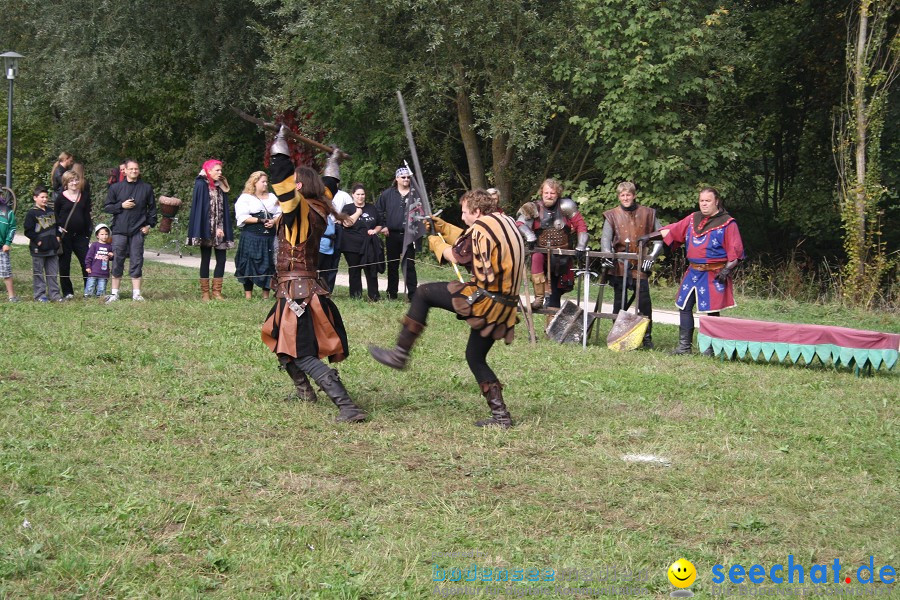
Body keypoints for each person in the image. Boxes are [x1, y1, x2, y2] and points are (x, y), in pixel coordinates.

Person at [369, 189, 526, 428]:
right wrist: (442, 227)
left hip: (485, 300)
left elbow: (456, 254)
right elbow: (467, 237)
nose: (462, 217)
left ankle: (399, 354)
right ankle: (501, 416)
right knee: (474, 356)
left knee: (423, 293)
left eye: (465, 212)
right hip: (505, 305)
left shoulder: (482, 228)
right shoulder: (504, 221)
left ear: (477, 211)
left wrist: (433, 240)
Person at [261, 126, 366, 423]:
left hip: (299, 291)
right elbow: (329, 181)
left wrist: (280, 143)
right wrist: (334, 158)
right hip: (296, 288)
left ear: (298, 188)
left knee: (303, 352)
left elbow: (281, 176)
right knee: (277, 336)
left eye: (294, 184)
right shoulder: (321, 205)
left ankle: (347, 406)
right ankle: (304, 391)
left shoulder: (299, 212)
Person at [640, 187, 745, 354]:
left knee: (711, 310)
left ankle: (711, 348)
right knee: (684, 306)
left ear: (716, 201)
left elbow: (736, 251)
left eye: (707, 201)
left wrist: (726, 270)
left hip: (714, 272)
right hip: (693, 271)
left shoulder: (727, 223)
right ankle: (684, 347)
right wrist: (649, 236)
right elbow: (673, 230)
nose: (704, 204)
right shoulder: (693, 218)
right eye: (701, 200)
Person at [600, 181, 663, 349]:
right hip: (620, 265)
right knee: (619, 302)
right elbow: (606, 239)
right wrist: (607, 255)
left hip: (640, 263)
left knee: (644, 302)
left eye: (628, 195)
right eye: (622, 195)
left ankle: (646, 337)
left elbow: (660, 236)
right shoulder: (612, 215)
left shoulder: (648, 213)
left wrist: (652, 255)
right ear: (618, 196)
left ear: (634, 195)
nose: (625, 198)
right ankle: (618, 334)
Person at [516, 178, 589, 309]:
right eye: (546, 193)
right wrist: (530, 235)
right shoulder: (533, 207)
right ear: (541, 193)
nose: (549, 196)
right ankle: (539, 298)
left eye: (552, 193)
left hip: (562, 257)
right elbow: (520, 223)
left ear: (558, 194)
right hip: (541, 256)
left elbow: (581, 225)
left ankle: (550, 326)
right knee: (536, 257)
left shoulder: (566, 206)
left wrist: (581, 245)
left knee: (555, 295)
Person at [103, 159, 157, 303]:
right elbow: (107, 207)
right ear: (124, 171)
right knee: (117, 260)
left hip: (138, 231)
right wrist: (121, 205)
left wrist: (149, 226)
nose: (134, 171)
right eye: (131, 169)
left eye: (136, 169)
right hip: (119, 230)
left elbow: (152, 210)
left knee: (137, 260)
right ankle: (115, 293)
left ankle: (137, 294)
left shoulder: (146, 188)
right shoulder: (115, 188)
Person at [186, 159, 234, 300]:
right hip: (206, 228)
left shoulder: (220, 185)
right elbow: (202, 209)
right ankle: (205, 293)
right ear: (209, 170)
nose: (220, 172)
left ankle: (217, 291)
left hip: (220, 228)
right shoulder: (201, 184)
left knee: (222, 259)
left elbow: (222, 209)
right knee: (205, 259)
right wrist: (212, 229)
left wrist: (221, 227)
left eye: (220, 170)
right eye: (217, 170)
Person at [376, 166, 421, 300]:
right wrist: (383, 226)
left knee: (410, 265)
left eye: (408, 177)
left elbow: (421, 212)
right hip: (392, 235)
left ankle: (413, 295)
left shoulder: (415, 194)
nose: (406, 179)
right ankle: (392, 294)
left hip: (409, 234)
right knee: (392, 264)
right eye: (403, 177)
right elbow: (378, 211)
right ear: (397, 179)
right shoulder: (387, 194)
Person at [234, 171, 279, 300]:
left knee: (269, 265)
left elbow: (280, 213)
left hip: (269, 237)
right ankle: (248, 295)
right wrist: (260, 220)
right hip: (251, 236)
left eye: (266, 181)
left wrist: (274, 221)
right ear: (254, 183)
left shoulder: (272, 197)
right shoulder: (245, 198)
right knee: (248, 263)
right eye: (262, 182)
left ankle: (266, 296)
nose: (265, 184)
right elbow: (242, 217)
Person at [341, 183, 383, 301]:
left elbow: (379, 224)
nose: (360, 197)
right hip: (351, 245)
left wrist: (375, 230)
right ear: (353, 195)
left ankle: (374, 296)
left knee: (371, 270)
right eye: (358, 194)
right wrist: (358, 213)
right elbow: (346, 223)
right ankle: (356, 296)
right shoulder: (347, 208)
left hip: (369, 244)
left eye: (363, 194)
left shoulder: (372, 208)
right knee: (354, 270)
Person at [55, 170, 92, 299]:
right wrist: (58, 229)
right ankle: (67, 292)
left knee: (87, 263)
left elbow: (87, 214)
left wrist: (88, 233)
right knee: (64, 264)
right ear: (66, 183)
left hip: (81, 235)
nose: (74, 183)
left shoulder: (85, 195)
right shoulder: (60, 197)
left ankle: (89, 290)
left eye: (76, 180)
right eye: (71, 180)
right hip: (65, 236)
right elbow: (56, 215)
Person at [24, 186, 62, 302]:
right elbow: (28, 231)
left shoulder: (51, 211)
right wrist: (38, 241)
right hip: (38, 249)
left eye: (46, 197)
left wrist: (58, 237)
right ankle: (40, 295)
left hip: (52, 248)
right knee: (38, 273)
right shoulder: (32, 213)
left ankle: (55, 295)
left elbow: (57, 226)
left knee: (53, 273)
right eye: (42, 197)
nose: (45, 199)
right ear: (35, 198)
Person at [84, 224, 114, 297]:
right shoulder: (94, 245)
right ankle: (88, 296)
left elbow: (111, 258)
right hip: (93, 270)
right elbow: (89, 256)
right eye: (102, 234)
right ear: (97, 235)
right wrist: (88, 266)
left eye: (106, 234)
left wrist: (111, 255)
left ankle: (100, 297)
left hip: (104, 271)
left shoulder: (109, 246)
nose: (104, 236)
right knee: (91, 284)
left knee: (102, 286)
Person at [0, 191, 18, 301]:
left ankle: (12, 296)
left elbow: (12, 228)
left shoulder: (7, 210)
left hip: (2, 247)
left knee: (6, 272)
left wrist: (7, 242)